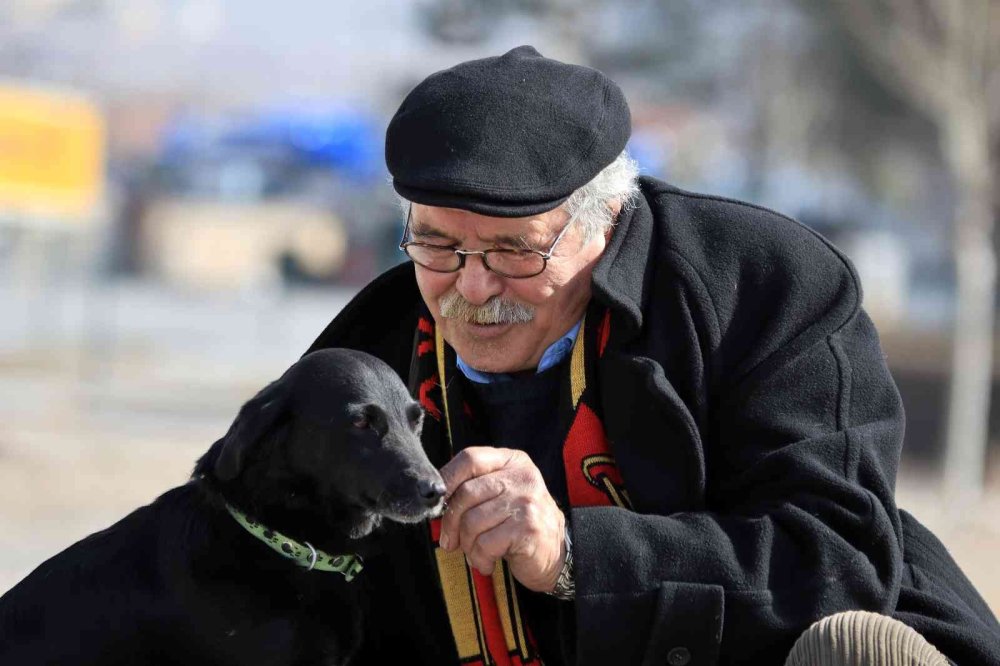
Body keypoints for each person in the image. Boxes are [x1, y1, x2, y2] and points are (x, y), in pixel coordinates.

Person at [306, 46, 1000, 665]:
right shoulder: (374, 345)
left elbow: (837, 559)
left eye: (515, 249)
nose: (473, 285)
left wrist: (575, 554)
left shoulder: (763, 285)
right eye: (437, 245)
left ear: (605, 222)